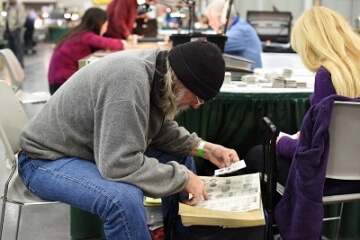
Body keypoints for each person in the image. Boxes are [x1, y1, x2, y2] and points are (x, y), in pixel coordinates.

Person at [18, 40, 241, 239]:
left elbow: (160, 130)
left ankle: (178, 234)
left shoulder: (159, 70)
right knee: (123, 201)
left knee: (181, 159)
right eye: (198, 97)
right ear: (177, 79)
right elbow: (118, 164)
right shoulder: (129, 80)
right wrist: (181, 178)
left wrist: (206, 149)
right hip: (44, 160)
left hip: (87, 151)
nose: (195, 105)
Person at [244, 6, 360, 193]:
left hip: (326, 178)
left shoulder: (326, 76)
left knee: (257, 154)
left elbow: (314, 155)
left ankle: (273, 222)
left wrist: (282, 143)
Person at [47, 7, 125, 95]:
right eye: (106, 25)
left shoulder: (78, 33)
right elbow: (109, 43)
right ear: (99, 23)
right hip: (62, 86)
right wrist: (126, 43)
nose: (105, 29)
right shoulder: (86, 36)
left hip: (56, 83)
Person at [205, 0, 263, 70]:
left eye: (210, 19)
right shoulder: (239, 26)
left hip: (248, 78)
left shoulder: (240, 31)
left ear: (219, 18)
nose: (210, 24)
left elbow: (210, 48)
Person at [3, 0, 26, 68]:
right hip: (8, 29)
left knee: (18, 47)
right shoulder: (8, 5)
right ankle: (12, 64)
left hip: (16, 30)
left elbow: (21, 18)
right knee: (11, 48)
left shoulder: (19, 5)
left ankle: (20, 64)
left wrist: (17, 27)